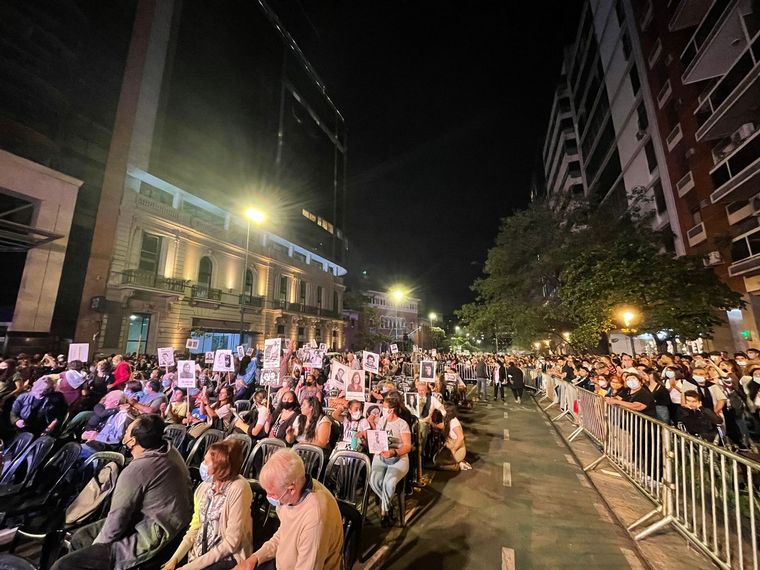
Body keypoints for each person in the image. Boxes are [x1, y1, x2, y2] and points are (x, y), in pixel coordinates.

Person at [51, 415, 192, 570]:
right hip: (155, 520)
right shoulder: (170, 450)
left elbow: (117, 519)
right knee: (81, 537)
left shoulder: (137, 470)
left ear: (132, 441)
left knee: (63, 565)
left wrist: (97, 552)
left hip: (154, 534)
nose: (124, 434)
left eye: (127, 431)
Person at [235, 449, 343, 570]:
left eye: (273, 494)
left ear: (291, 489)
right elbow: (284, 533)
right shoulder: (295, 490)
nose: (269, 498)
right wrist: (254, 559)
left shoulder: (315, 518)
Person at [163, 440, 252, 570]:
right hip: (198, 556)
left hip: (227, 558)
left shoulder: (239, 488)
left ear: (221, 467)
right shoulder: (204, 487)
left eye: (206, 462)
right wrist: (175, 559)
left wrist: (189, 568)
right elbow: (195, 527)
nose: (202, 466)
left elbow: (231, 543)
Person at [368, 392, 413, 527]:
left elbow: (407, 446)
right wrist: (371, 423)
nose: (383, 410)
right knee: (374, 480)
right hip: (381, 456)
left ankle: (384, 512)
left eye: (385, 408)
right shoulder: (382, 420)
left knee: (389, 483)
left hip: (398, 458)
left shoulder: (402, 424)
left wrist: (394, 452)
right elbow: (378, 436)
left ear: (392, 410)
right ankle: (388, 505)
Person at [433, 402, 470, 471]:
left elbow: (461, 437)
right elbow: (443, 425)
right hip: (449, 445)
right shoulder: (448, 419)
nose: (441, 410)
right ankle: (456, 462)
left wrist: (453, 449)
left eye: (443, 409)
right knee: (436, 459)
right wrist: (432, 423)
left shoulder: (454, 422)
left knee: (439, 465)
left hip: (457, 448)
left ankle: (459, 465)